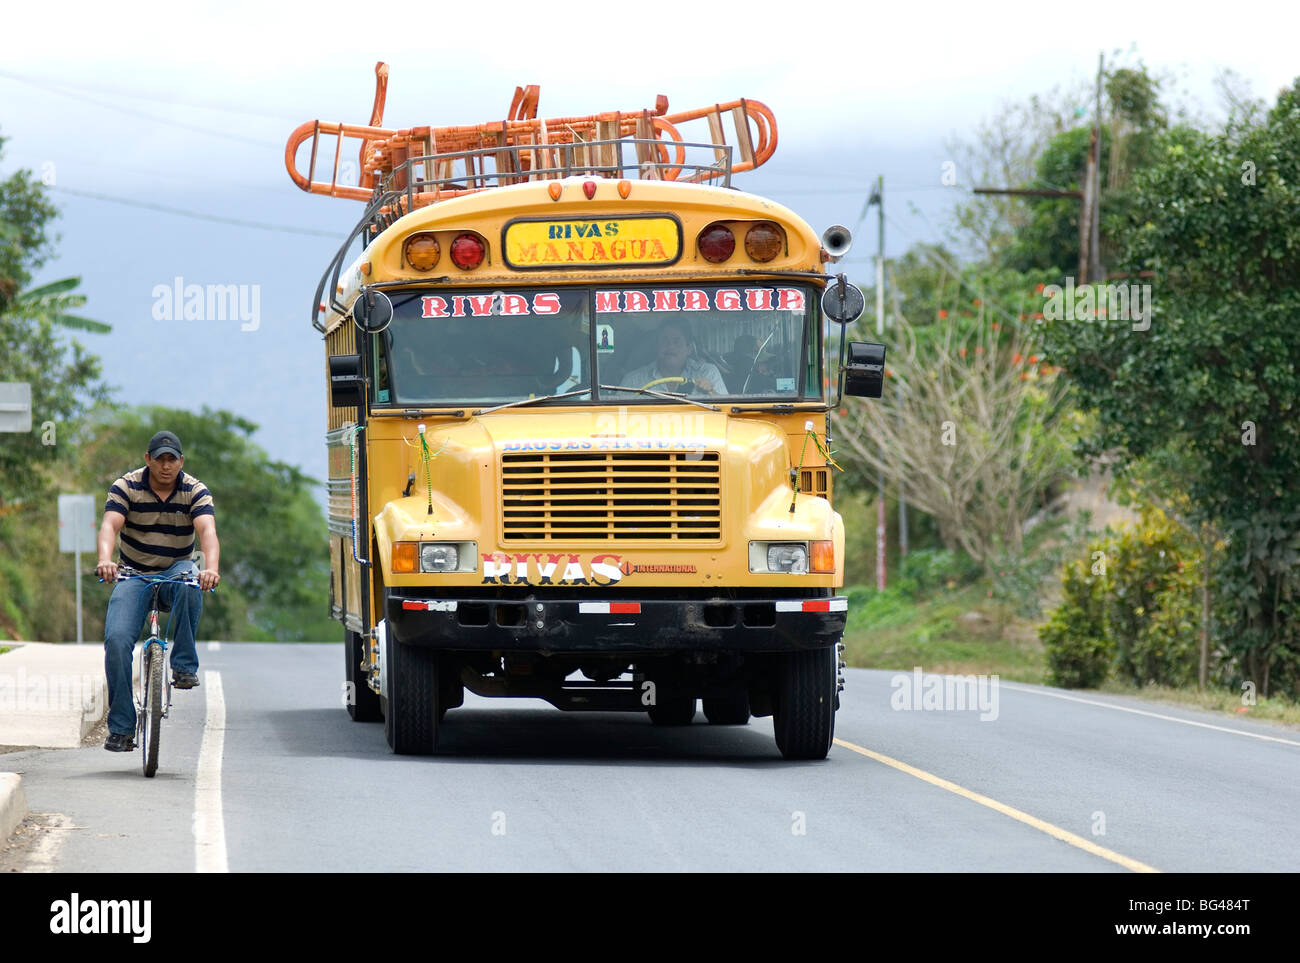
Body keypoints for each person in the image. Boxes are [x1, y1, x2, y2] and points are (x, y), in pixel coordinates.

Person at [95, 431, 221, 753]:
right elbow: (110, 525)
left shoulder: (194, 490)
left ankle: (183, 667)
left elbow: (207, 531)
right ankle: (122, 729)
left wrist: (211, 568)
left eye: (172, 459)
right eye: (160, 459)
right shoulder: (127, 487)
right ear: (148, 459)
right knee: (117, 640)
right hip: (133, 575)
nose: (166, 466)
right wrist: (105, 560)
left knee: (191, 580)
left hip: (175, 570)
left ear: (181, 462)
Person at [622, 318, 728, 395]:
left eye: (677, 342)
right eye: (665, 341)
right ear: (657, 346)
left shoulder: (708, 373)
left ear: (689, 349)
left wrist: (711, 391)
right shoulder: (633, 380)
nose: (670, 346)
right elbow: (617, 414)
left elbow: (725, 412)